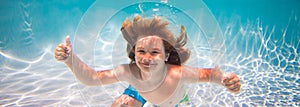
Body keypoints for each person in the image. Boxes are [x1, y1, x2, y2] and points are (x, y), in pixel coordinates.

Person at [54, 15, 241, 107]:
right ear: (133, 52)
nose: (146, 58)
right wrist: (70, 59)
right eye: (141, 51)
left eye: (154, 52)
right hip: (141, 88)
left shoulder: (176, 74)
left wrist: (227, 79)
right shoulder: (130, 71)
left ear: (166, 55)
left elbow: (209, 74)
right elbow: (92, 78)